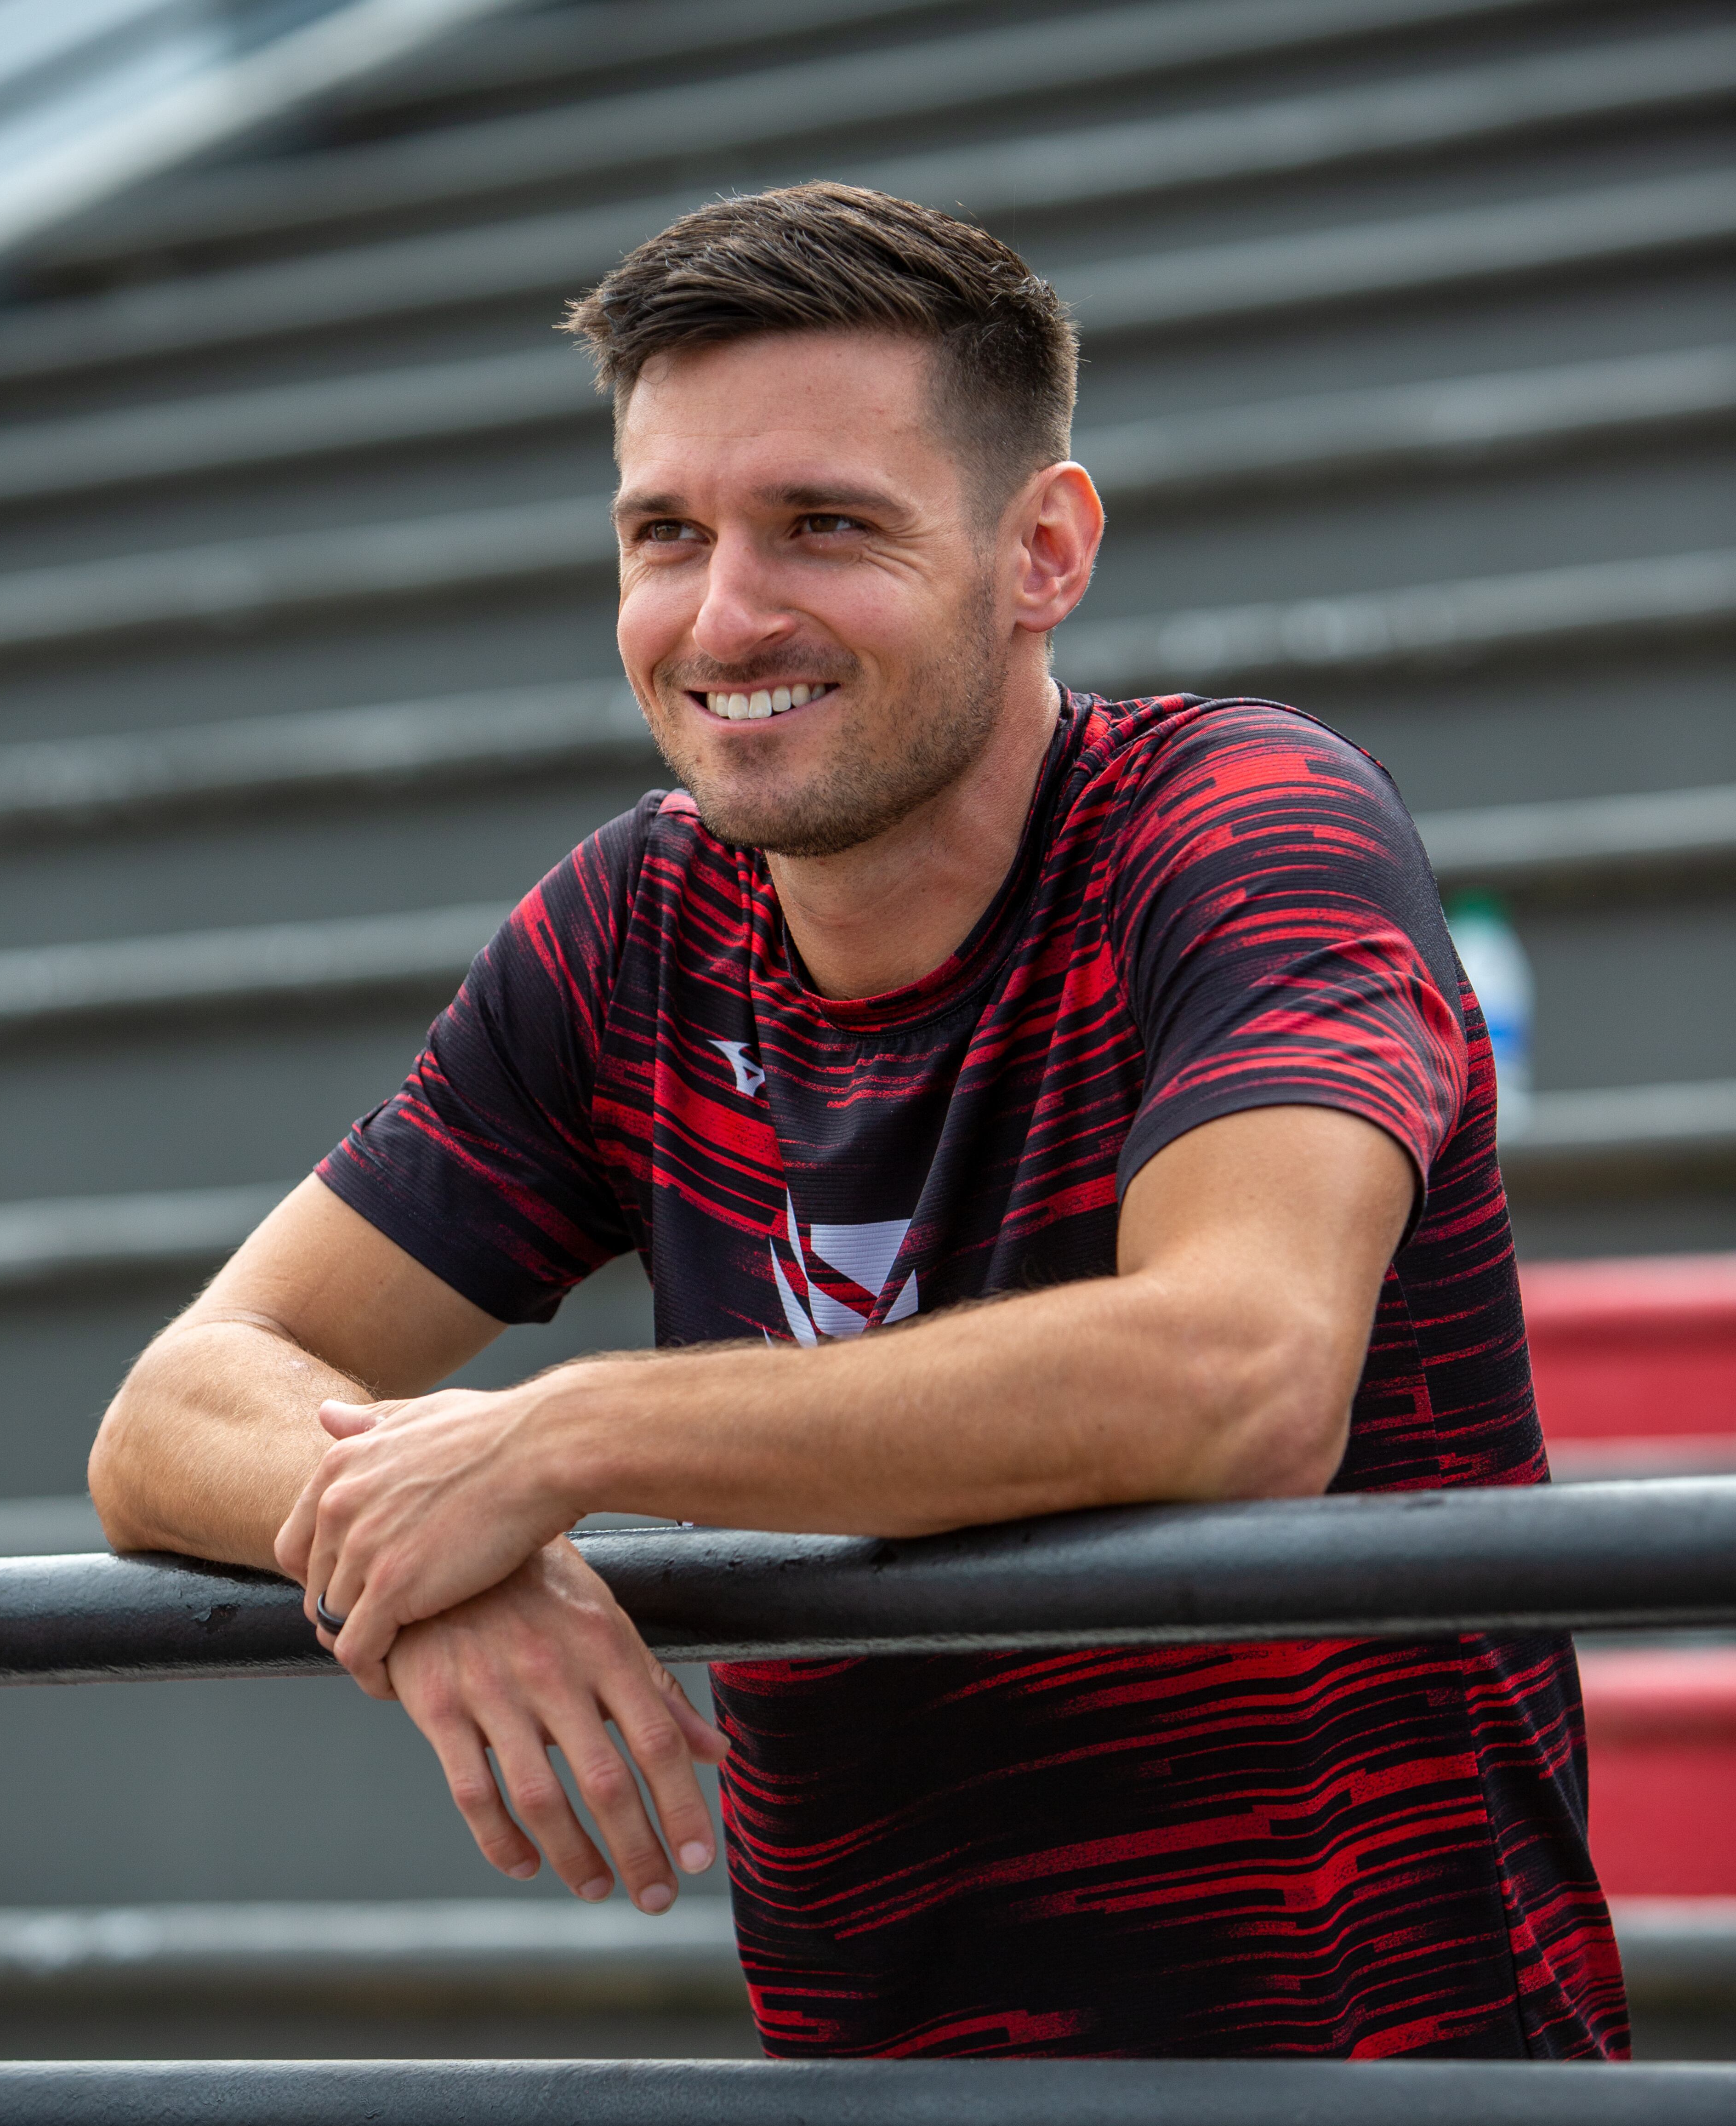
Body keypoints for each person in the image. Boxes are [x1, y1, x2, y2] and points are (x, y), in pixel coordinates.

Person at [89, 182, 1628, 2061]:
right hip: (877, 2082)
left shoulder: (1243, 827)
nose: (725, 615)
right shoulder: (629, 930)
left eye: (826, 523)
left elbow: (1242, 1371)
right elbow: (179, 1402)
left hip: (1385, 2082)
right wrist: (425, 1558)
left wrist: (559, 1437)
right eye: (667, 532)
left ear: (1042, 547)